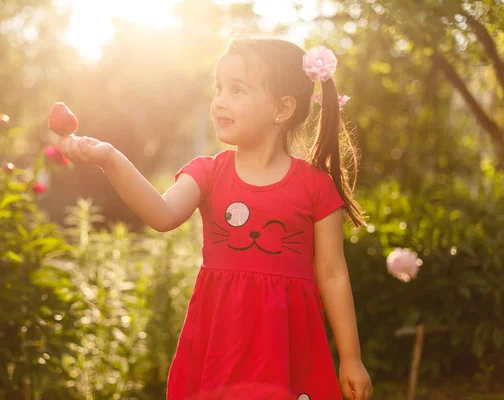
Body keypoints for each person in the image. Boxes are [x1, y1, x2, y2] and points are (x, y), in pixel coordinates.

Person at [59, 37, 373, 400]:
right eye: (219, 87)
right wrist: (109, 158)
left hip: (287, 352)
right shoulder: (208, 173)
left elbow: (332, 273)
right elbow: (161, 214)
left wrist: (351, 358)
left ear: (282, 108)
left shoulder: (316, 187)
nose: (220, 100)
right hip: (222, 347)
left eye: (237, 89)